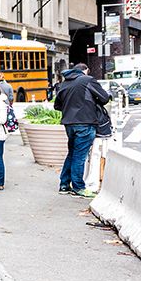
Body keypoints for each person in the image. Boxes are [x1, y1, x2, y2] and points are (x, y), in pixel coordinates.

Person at [53, 63, 110, 197]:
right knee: (80, 156)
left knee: (72, 153)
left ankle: (64, 184)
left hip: (69, 124)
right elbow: (104, 98)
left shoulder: (64, 84)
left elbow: (57, 105)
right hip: (85, 122)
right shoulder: (87, 80)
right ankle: (78, 187)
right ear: (85, 71)